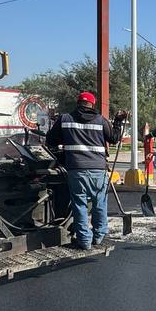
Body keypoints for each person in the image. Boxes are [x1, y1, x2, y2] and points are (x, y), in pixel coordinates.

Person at [44, 91, 126, 249]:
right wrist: (117, 121)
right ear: (92, 104)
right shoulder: (101, 120)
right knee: (99, 202)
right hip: (98, 169)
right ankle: (99, 235)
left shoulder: (65, 119)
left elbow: (50, 140)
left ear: (78, 103)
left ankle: (84, 240)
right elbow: (114, 138)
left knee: (79, 204)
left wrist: (67, 138)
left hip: (76, 169)